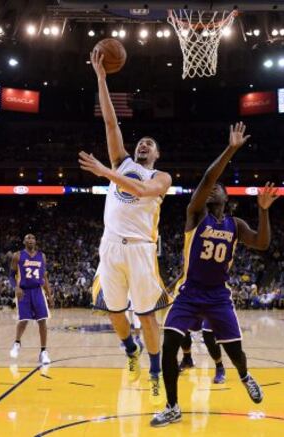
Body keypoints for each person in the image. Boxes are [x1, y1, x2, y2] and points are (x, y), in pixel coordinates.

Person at [151, 122, 279, 427]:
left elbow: (262, 243)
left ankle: (245, 376)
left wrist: (263, 210)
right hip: (189, 293)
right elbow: (210, 177)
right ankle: (172, 406)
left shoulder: (236, 225)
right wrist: (231, 149)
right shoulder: (195, 215)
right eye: (210, 188)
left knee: (235, 352)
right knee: (169, 345)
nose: (212, 190)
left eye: (218, 189)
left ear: (227, 197)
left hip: (218, 297)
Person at [79, 49, 172, 405]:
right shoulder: (123, 161)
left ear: (157, 154)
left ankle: (154, 371)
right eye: (141, 142)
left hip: (140, 248)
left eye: (150, 143)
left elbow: (143, 190)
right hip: (111, 245)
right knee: (115, 311)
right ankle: (129, 349)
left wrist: (105, 173)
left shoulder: (159, 176)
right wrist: (101, 79)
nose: (143, 143)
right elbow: (110, 123)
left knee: (147, 316)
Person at [9, 234, 54, 365]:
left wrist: (49, 295)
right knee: (23, 320)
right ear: (24, 241)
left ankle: (43, 352)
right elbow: (11, 276)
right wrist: (15, 287)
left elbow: (44, 277)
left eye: (32, 238)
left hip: (38, 291)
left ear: (35, 241)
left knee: (42, 321)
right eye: (27, 238)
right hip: (24, 291)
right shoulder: (17, 256)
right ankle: (17, 343)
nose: (30, 240)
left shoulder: (42, 256)